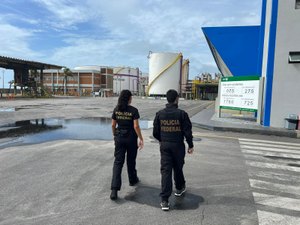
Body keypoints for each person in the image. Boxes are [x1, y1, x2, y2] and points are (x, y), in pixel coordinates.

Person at [153, 89, 194, 211]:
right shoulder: (182, 114)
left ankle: (165, 200)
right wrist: (190, 145)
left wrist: (162, 139)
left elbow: (155, 132)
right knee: (178, 167)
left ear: (167, 99)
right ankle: (179, 187)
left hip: (165, 145)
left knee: (166, 171)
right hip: (178, 145)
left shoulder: (160, 114)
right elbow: (187, 132)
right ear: (176, 99)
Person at [110, 90, 144, 200]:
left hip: (119, 138)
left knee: (118, 162)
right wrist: (141, 138)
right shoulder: (133, 110)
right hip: (131, 139)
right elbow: (136, 126)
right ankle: (132, 180)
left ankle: (114, 190)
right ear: (129, 98)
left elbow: (113, 125)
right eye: (131, 97)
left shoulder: (117, 109)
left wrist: (115, 135)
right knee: (131, 160)